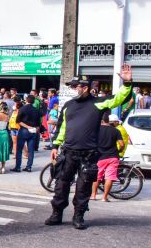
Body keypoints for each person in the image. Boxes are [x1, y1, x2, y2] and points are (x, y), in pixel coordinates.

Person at [46, 66, 133, 230]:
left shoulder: (99, 103)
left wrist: (127, 82)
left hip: (89, 155)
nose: (72, 89)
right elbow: (61, 127)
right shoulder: (68, 105)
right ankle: (56, 214)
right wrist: (55, 146)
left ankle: (78, 216)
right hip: (68, 153)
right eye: (72, 86)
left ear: (85, 87)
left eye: (75, 86)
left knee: (84, 186)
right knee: (61, 184)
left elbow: (118, 99)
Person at [91, 112, 125, 203]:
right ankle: (104, 198)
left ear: (101, 121)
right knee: (109, 177)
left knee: (97, 177)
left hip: (100, 157)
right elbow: (122, 144)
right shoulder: (116, 130)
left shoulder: (96, 130)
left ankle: (93, 195)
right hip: (113, 157)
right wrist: (119, 151)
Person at [14, 94, 41, 172]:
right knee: (31, 150)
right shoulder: (36, 110)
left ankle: (18, 167)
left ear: (26, 100)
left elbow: (18, 121)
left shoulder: (22, 109)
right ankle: (29, 167)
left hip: (24, 130)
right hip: (33, 130)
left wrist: (27, 126)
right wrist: (35, 129)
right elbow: (38, 123)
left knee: (19, 149)